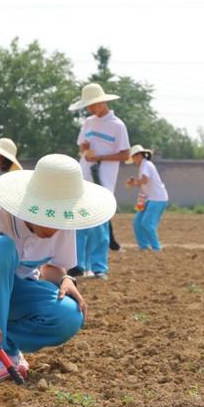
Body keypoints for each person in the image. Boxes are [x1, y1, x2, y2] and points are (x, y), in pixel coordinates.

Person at [0, 154, 117, 383]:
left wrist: (65, 279)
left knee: (69, 315)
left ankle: (4, 346)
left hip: (17, 290)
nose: (54, 229)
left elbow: (51, 268)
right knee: (1, 246)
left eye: (60, 219)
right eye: (47, 216)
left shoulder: (63, 221)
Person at [68, 83, 130, 280]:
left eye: (93, 104)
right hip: (82, 178)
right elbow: (82, 148)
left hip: (103, 182)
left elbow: (125, 155)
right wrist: (85, 148)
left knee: (99, 225)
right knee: (78, 222)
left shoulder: (117, 125)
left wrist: (100, 159)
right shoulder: (88, 123)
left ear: (103, 101)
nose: (90, 109)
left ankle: (99, 267)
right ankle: (78, 265)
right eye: (88, 105)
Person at [125, 145, 169, 251]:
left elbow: (144, 181)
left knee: (146, 223)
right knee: (137, 222)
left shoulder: (146, 165)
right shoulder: (144, 166)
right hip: (149, 199)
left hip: (157, 199)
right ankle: (144, 247)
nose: (134, 161)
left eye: (134, 158)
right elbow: (144, 185)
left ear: (139, 155)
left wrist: (133, 182)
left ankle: (156, 248)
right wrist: (140, 201)